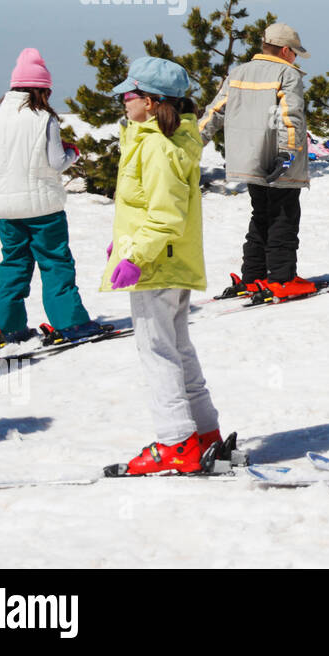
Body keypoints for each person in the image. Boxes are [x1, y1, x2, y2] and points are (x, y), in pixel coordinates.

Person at [103, 57, 225, 474]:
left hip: (156, 265)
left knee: (156, 350)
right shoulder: (158, 139)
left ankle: (175, 441)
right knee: (177, 346)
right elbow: (147, 208)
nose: (123, 99)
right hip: (165, 261)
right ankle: (205, 433)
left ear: (153, 102)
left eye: (130, 94)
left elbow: (166, 215)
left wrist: (135, 256)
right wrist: (121, 243)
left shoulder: (156, 146)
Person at [0, 48, 108, 348]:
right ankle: (71, 323)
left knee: (13, 265)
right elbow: (55, 162)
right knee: (55, 264)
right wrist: (72, 153)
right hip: (43, 210)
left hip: (6, 209)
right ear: (42, 89)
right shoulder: (44, 119)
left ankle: (7, 328)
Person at [199, 23, 314, 300]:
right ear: (285, 50)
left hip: (247, 160)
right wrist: (286, 155)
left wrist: (191, 144)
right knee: (283, 218)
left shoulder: (237, 73)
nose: (295, 58)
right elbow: (290, 117)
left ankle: (254, 276)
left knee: (260, 215)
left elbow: (215, 111)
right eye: (295, 53)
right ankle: (282, 279)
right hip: (277, 160)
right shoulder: (287, 74)